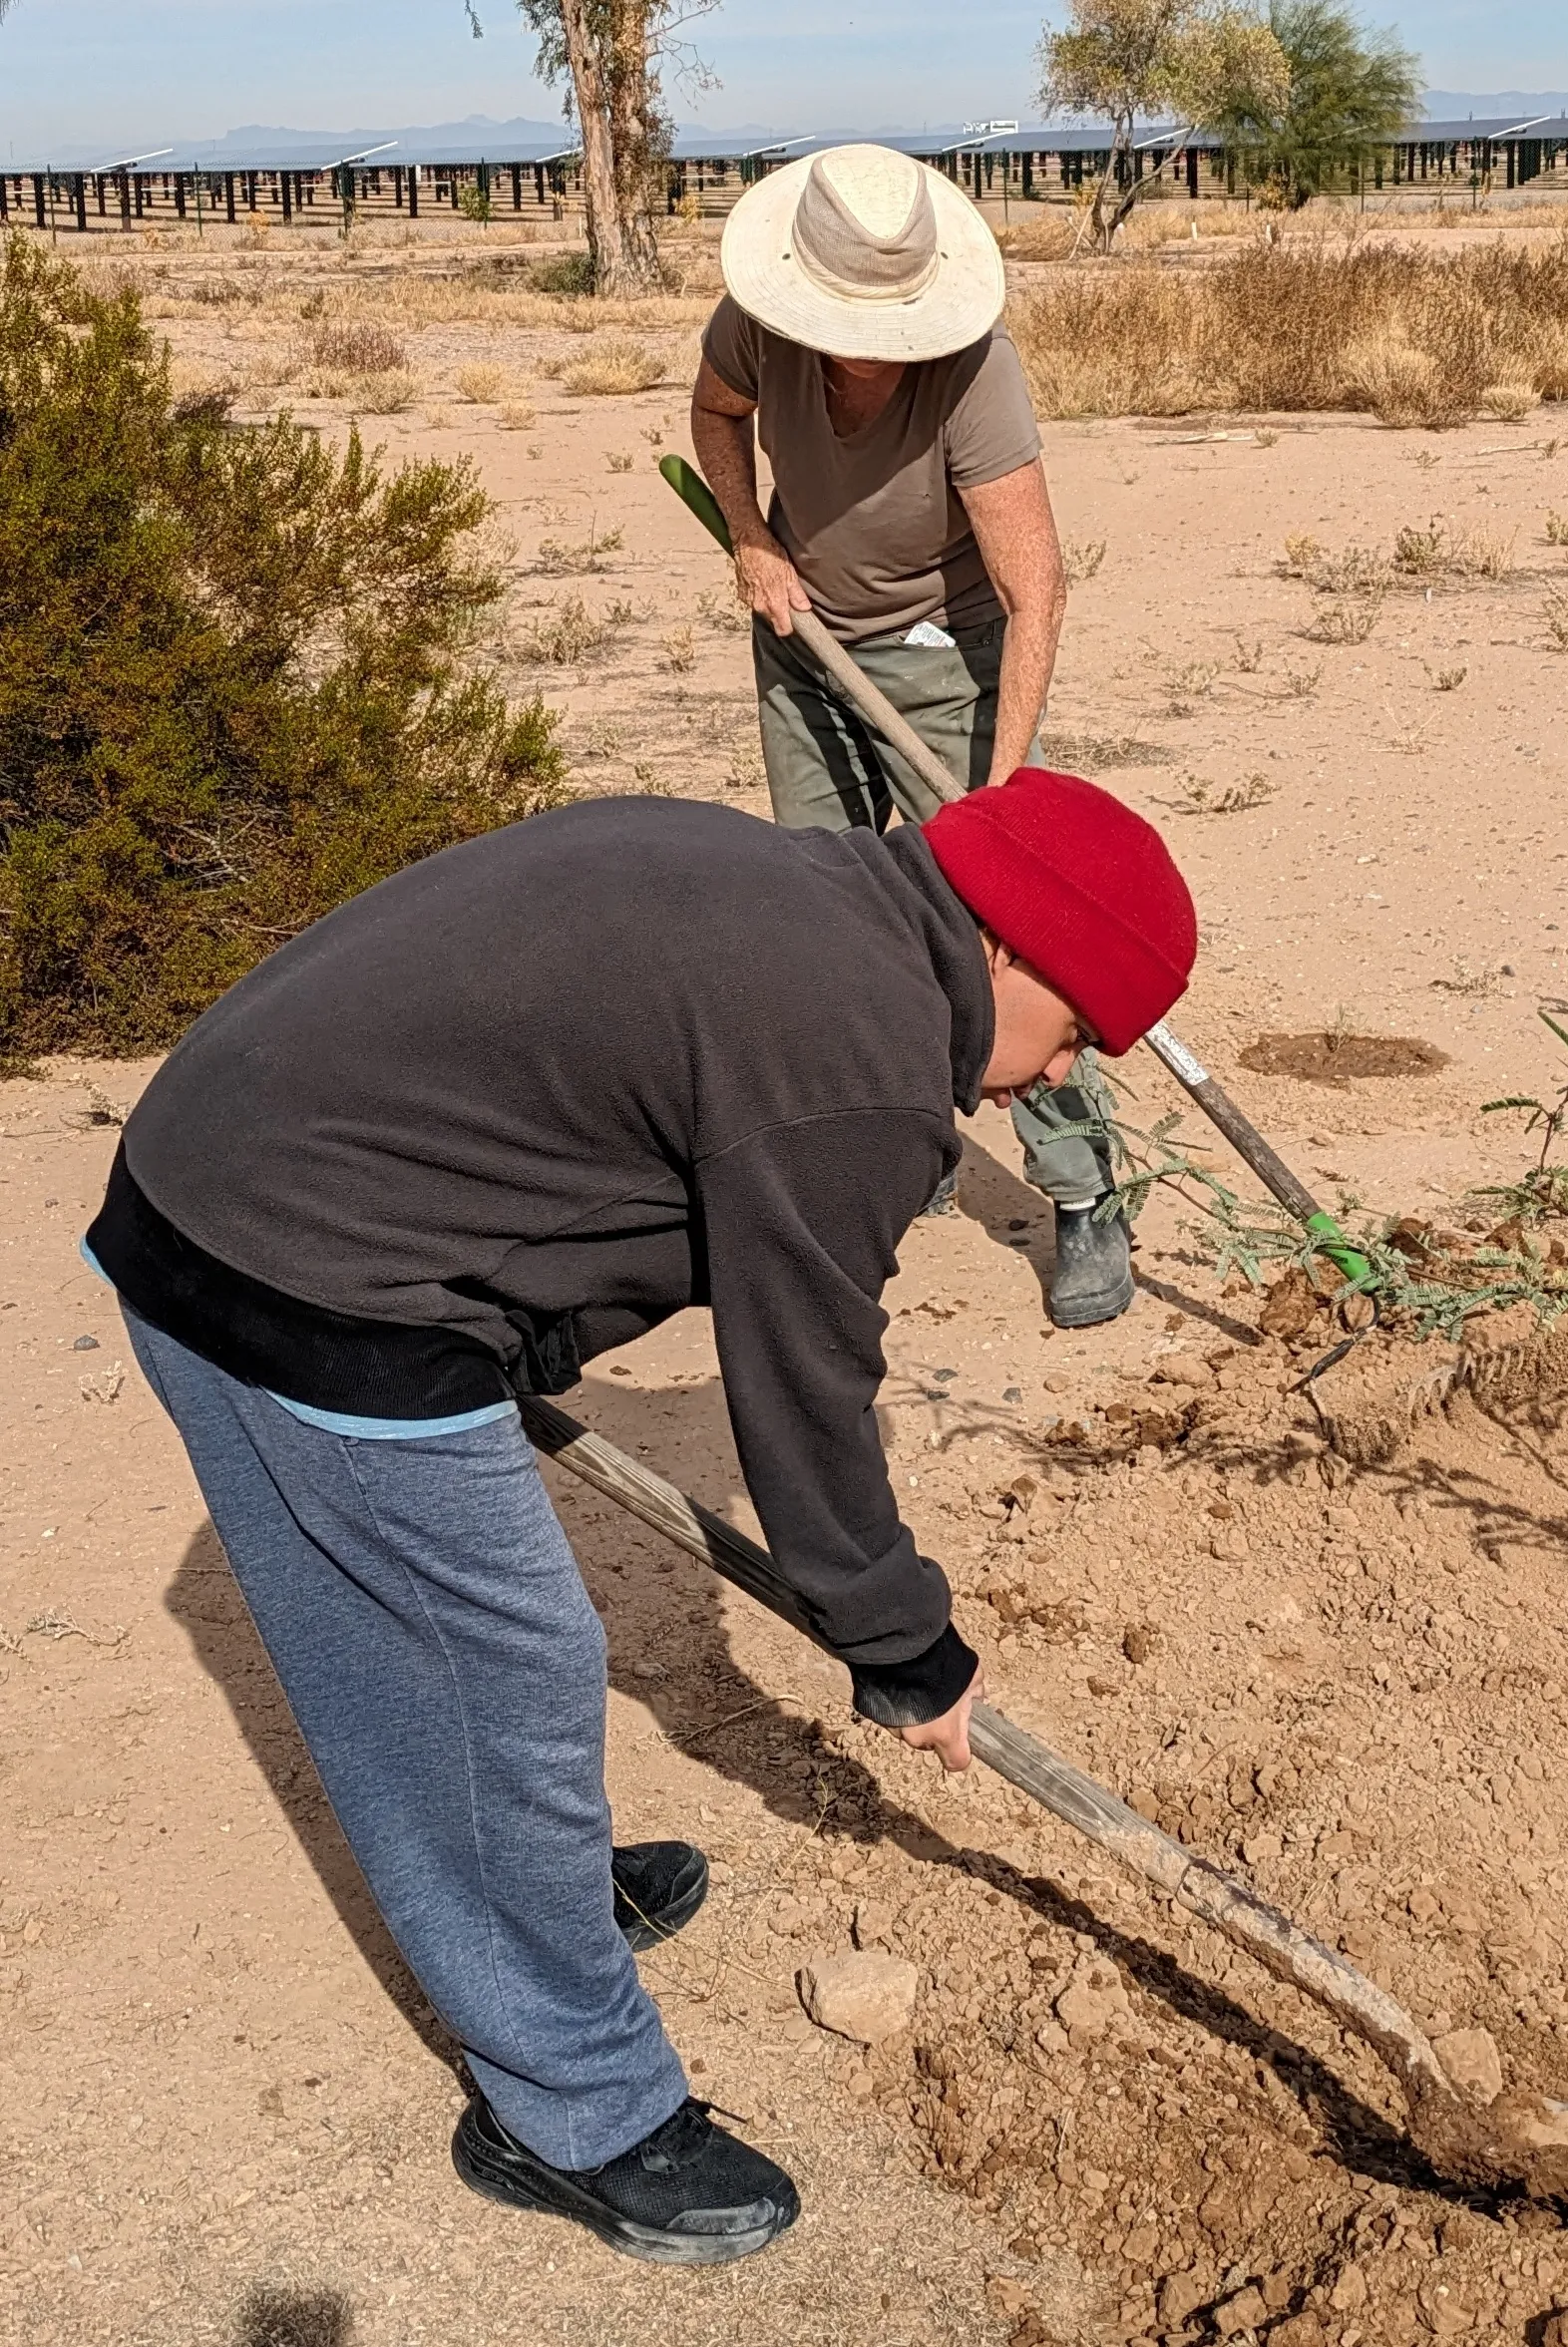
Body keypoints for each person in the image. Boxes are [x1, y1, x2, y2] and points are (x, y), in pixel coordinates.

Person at [85, 768, 1195, 2265]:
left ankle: (523, 1882)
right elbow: (807, 1391)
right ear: (1009, 949)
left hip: (240, 1167)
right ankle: (574, 2111)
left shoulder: (795, 893)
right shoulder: (857, 1059)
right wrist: (905, 1649)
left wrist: (518, 1329)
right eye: (1077, 1036)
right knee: (511, 1671)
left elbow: (577, 1107)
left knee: (493, 1681)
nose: (1059, 1082)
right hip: (287, 1271)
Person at [687, 141, 1137, 1331]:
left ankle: (1084, 1193)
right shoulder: (756, 326)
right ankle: (901, 1147)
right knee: (830, 915)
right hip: (803, 642)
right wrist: (751, 535)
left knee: (1004, 939)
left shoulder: (975, 372)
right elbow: (714, 415)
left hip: (946, 660)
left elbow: (1037, 588)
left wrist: (1004, 798)